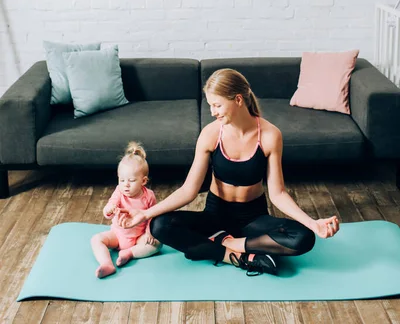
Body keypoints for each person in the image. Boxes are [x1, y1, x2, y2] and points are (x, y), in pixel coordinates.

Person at [116, 69, 340, 276]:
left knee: (303, 238)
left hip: (253, 219)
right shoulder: (211, 134)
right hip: (215, 216)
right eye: (210, 106)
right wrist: (145, 214)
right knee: (160, 225)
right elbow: (188, 190)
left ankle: (224, 244)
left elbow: (278, 193)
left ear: (238, 100)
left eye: (217, 105)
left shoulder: (271, 135)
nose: (213, 112)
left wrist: (313, 223)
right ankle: (234, 257)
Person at [91, 141, 162, 278]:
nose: (126, 185)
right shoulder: (119, 191)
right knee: (96, 239)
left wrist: (149, 234)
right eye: (122, 180)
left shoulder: (149, 196)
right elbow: (109, 208)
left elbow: (152, 217)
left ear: (144, 181)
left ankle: (129, 253)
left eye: (131, 180)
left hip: (138, 238)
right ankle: (107, 264)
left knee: (157, 245)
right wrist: (109, 209)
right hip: (117, 235)